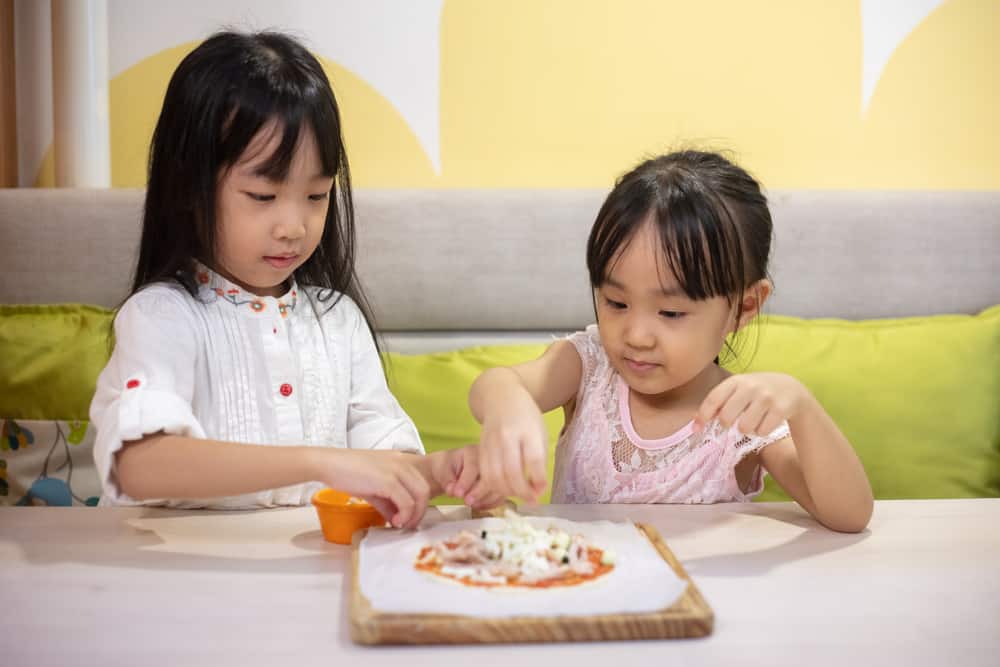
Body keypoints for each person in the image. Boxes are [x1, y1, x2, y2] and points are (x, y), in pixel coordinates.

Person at [90, 30, 487, 527]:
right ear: (189, 190)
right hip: (182, 583)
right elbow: (138, 466)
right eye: (262, 196)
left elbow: (384, 459)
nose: (294, 227)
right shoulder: (161, 316)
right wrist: (316, 460)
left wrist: (439, 471)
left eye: (317, 196)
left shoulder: (337, 320)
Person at [464, 151, 873, 532]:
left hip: (696, 598)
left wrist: (800, 406)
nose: (636, 336)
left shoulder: (741, 420)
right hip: (586, 592)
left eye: (671, 313)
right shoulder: (588, 367)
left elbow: (849, 516)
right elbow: (494, 385)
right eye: (616, 302)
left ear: (745, 306)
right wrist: (510, 409)